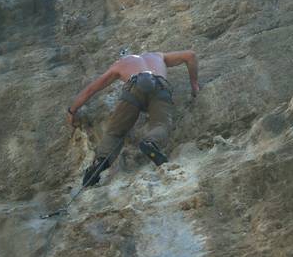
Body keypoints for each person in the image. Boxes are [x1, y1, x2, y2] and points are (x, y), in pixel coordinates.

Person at [67, 50, 199, 186]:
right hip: (159, 88)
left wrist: (72, 111)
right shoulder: (158, 56)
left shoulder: (120, 64)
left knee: (115, 133)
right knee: (161, 124)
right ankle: (150, 143)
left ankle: (100, 163)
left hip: (134, 89)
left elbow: (91, 90)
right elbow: (190, 55)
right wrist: (194, 85)